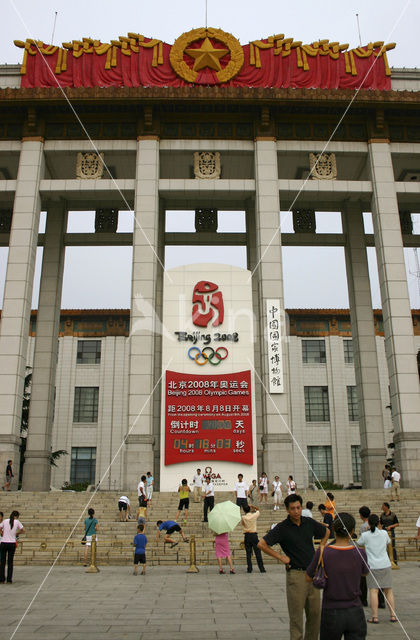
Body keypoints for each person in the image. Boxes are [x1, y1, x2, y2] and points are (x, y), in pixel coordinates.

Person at [258, 494, 329, 640]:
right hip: (296, 576)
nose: (296, 511)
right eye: (292, 509)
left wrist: (321, 547)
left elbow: (326, 532)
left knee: (315, 615)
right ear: (287, 510)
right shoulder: (282, 528)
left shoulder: (308, 522)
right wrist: (281, 557)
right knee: (296, 618)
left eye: (298, 508)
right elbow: (262, 544)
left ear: (301, 507)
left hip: (313, 574)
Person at [306, 513, 369, 640]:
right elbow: (365, 572)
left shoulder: (323, 552)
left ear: (333, 530)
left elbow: (308, 577)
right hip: (355, 609)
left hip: (331, 609)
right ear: (352, 532)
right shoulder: (360, 553)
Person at [357, 514, 397, 624]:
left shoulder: (365, 535)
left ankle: (375, 617)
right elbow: (388, 542)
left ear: (368, 523)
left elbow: (358, 544)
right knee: (388, 590)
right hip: (385, 564)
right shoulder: (384, 533)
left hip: (372, 565)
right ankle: (393, 615)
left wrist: (367, 531)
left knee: (373, 591)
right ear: (379, 522)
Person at [0, 510, 25, 583]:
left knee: (2, 562)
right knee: (10, 562)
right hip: (12, 543)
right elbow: (23, 530)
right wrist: (17, 533)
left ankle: (1, 579)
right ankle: (9, 579)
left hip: (4, 543)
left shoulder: (5, 521)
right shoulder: (17, 522)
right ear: (16, 516)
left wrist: (2, 532)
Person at [241, 504, 265, 573]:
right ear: (249, 509)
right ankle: (261, 568)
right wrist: (253, 506)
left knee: (248, 553)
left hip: (247, 535)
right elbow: (258, 510)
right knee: (258, 552)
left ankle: (249, 568)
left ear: (244, 510)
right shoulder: (254, 515)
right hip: (254, 535)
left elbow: (243, 524)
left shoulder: (243, 517)